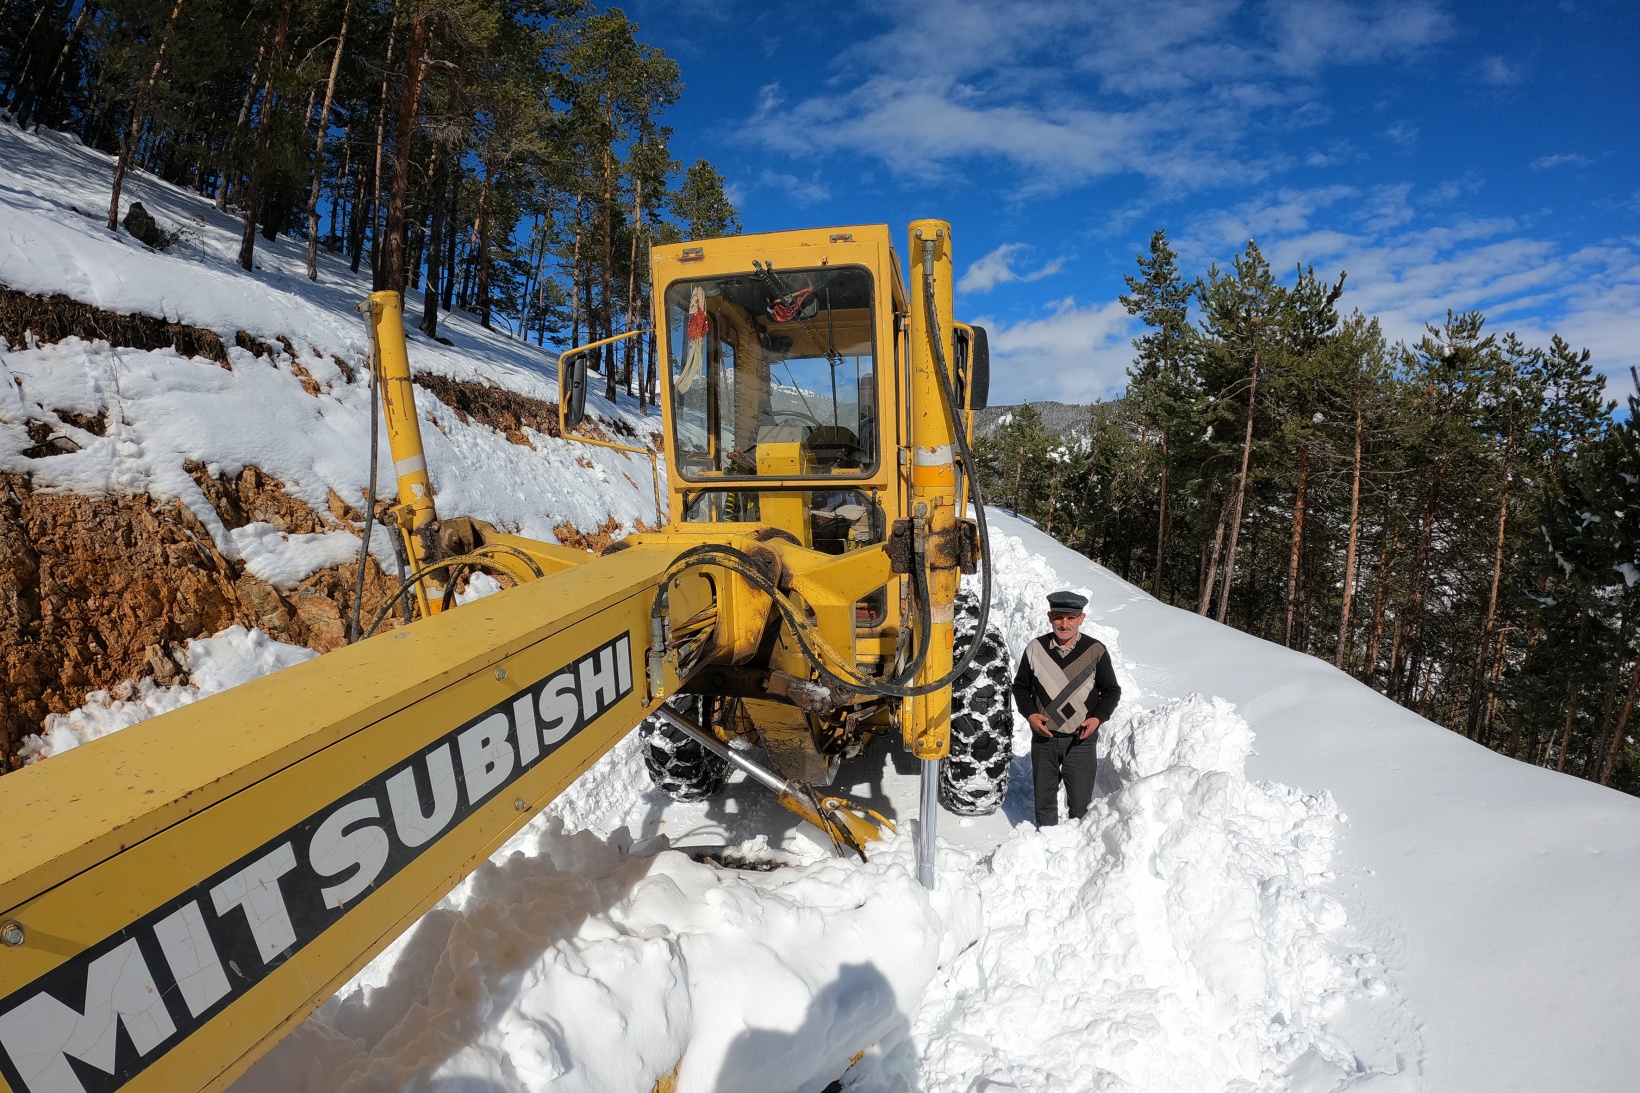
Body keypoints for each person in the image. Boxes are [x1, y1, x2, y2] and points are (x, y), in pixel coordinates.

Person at [1012, 590, 1121, 827]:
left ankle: (1075, 855)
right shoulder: (1035, 649)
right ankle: (1046, 847)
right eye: (1059, 617)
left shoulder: (1095, 651)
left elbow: (1111, 690)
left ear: (1081, 619)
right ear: (1050, 617)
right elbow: (1020, 687)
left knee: (1081, 807)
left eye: (1071, 618)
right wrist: (1030, 714)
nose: (1064, 624)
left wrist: (1097, 719)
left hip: (1080, 741)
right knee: (1044, 803)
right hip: (1044, 740)